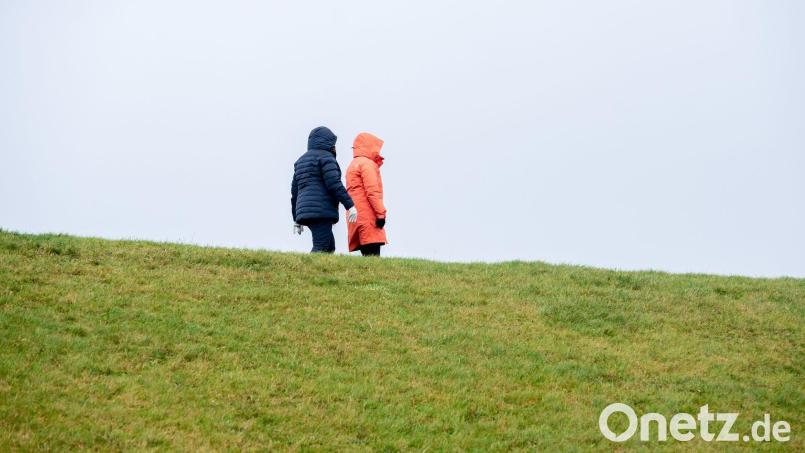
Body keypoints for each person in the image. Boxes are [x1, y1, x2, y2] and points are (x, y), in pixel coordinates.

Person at [291, 126, 357, 253]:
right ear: (327, 143)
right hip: (320, 211)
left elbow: (295, 192)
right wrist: (350, 206)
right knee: (321, 247)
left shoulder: (300, 161)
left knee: (329, 247)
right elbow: (334, 184)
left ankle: (323, 272)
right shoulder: (326, 158)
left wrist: (296, 218)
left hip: (306, 211)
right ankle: (305, 271)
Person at [346, 132, 387, 256]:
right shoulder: (367, 164)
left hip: (356, 217)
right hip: (369, 218)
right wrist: (381, 215)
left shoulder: (352, 165)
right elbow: (372, 192)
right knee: (374, 261)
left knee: (367, 258)